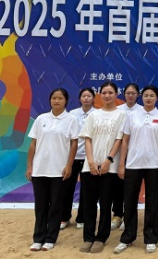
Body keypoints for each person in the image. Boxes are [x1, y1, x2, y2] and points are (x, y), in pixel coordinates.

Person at [114, 85, 158, 255]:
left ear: (157, 98)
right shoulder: (132, 116)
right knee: (130, 201)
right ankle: (127, 237)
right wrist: (122, 163)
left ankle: (151, 238)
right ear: (141, 97)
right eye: (145, 95)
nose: (148, 98)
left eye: (152, 95)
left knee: (152, 202)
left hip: (154, 164)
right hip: (133, 164)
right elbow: (125, 140)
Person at [26, 88, 79, 252]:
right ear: (50, 100)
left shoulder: (71, 119)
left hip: (59, 170)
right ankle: (38, 238)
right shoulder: (41, 118)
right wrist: (30, 166)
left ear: (66, 101)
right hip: (40, 169)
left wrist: (69, 165)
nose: (56, 101)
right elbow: (33, 143)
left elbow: (74, 144)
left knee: (56, 205)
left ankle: (50, 238)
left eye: (60, 98)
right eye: (54, 98)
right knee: (40, 205)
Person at [78, 82, 126, 253]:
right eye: (104, 92)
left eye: (110, 92)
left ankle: (101, 238)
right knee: (89, 204)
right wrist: (91, 162)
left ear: (116, 94)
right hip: (89, 167)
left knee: (106, 204)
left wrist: (108, 160)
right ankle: (88, 237)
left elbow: (119, 139)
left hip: (109, 167)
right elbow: (87, 138)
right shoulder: (93, 115)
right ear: (100, 94)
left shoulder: (121, 115)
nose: (107, 96)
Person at [61, 88, 96, 230]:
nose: (86, 98)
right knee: (67, 188)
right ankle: (64, 218)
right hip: (72, 157)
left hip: (89, 158)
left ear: (93, 98)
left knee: (87, 191)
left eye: (89, 96)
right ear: (79, 98)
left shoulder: (97, 114)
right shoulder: (72, 114)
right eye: (83, 96)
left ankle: (82, 218)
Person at [111, 83, 143, 231]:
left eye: (133, 93)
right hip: (119, 152)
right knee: (118, 185)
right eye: (128, 93)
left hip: (136, 153)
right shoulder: (117, 110)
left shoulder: (142, 111)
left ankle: (129, 215)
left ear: (138, 95)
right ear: (124, 94)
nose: (130, 96)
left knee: (132, 187)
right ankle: (117, 214)